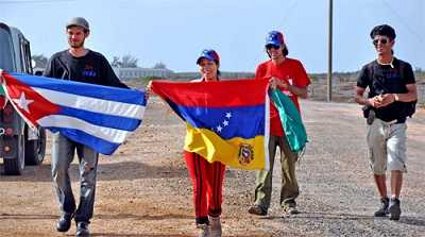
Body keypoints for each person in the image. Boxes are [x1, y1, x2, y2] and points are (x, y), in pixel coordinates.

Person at [44, 17, 129, 236]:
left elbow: (115, 87)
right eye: (70, 33)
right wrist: (10, 81)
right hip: (64, 127)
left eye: (78, 33)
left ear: (86, 34)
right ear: (67, 35)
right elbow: (42, 89)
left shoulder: (97, 61)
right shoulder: (56, 60)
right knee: (58, 170)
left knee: (88, 174)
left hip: (90, 128)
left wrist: (137, 96)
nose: (74, 37)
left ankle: (83, 221)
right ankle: (67, 210)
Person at [354, 24, 417, 221]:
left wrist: (394, 98)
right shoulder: (368, 69)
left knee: (396, 160)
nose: (379, 45)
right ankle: (383, 199)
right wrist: (370, 101)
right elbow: (357, 95)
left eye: (383, 41)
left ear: (392, 42)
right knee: (377, 164)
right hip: (376, 123)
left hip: (397, 123)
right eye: (376, 42)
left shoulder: (403, 68)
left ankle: (395, 201)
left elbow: (413, 94)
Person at [248, 30, 310, 216]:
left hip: (288, 126)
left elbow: (304, 93)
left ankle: (288, 201)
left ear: (283, 46)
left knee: (288, 166)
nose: (273, 50)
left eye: (276, 46)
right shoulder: (262, 68)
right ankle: (261, 203)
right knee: (264, 164)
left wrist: (285, 86)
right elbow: (255, 95)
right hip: (267, 125)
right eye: (269, 47)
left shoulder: (295, 66)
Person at [184, 49, 226, 237]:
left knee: (215, 186)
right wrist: (156, 88)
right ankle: (202, 225)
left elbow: (247, 102)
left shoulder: (228, 89)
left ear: (217, 65)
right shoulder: (192, 86)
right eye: (202, 64)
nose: (206, 67)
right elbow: (172, 97)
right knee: (199, 184)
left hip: (219, 145)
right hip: (195, 144)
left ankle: (214, 217)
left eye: (210, 63)